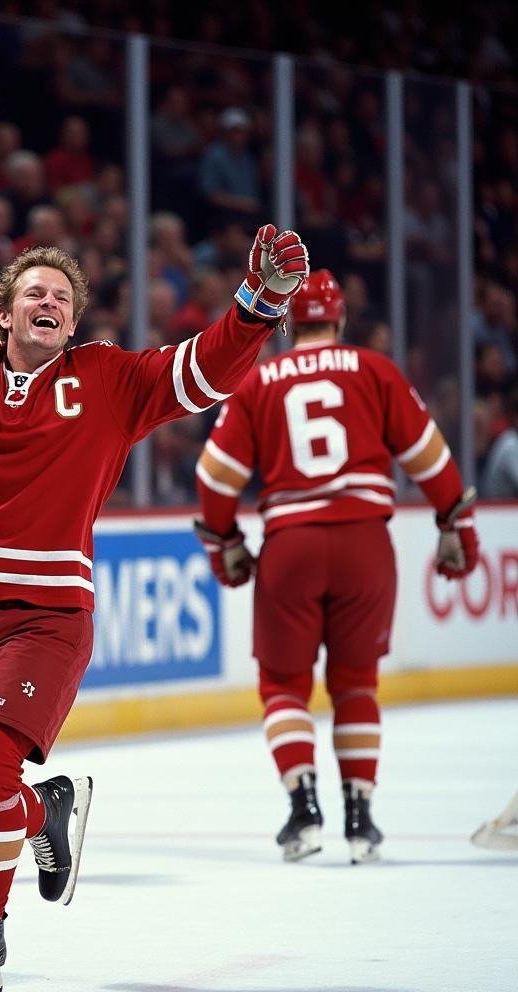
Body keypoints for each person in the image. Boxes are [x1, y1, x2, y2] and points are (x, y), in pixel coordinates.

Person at [0, 160, 309, 992]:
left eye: (62, 297)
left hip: (43, 617)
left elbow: (200, 372)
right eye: (33, 293)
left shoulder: (112, 381)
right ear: (5, 310)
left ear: (75, 320)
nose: (48, 303)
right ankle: (42, 812)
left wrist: (257, 307)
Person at [193, 269, 481, 866]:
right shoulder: (375, 369)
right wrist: (456, 519)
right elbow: (430, 457)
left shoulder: (259, 380)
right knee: (356, 684)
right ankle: (360, 819)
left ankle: (303, 812)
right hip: (365, 547)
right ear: (341, 319)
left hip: (290, 547)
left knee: (283, 686)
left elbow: (214, 477)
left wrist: (223, 537)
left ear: (289, 323)